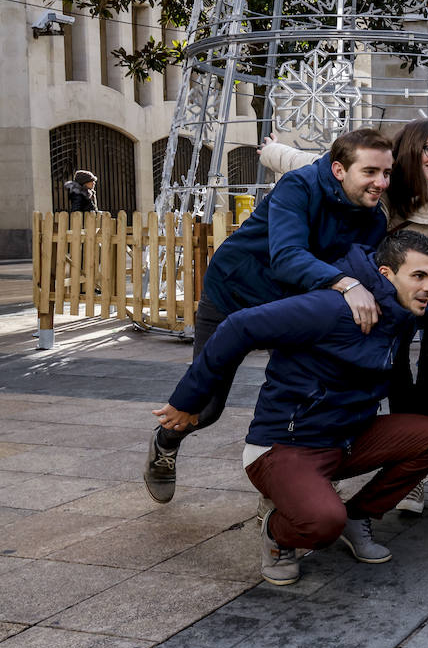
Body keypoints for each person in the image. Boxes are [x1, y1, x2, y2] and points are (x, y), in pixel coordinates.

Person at [154, 231, 428, 586]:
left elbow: (399, 376)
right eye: (419, 276)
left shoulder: (399, 317)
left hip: (346, 439)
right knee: (321, 523)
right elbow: (239, 326)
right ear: (387, 275)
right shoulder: (333, 308)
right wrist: (187, 400)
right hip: (286, 446)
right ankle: (277, 533)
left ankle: (358, 516)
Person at [143, 128, 393, 503]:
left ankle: (293, 481)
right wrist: (346, 284)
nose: (381, 182)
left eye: (386, 173)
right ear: (340, 169)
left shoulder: (373, 218)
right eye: (371, 172)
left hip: (294, 307)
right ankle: (165, 443)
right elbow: (288, 255)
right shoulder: (299, 187)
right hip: (236, 292)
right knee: (206, 408)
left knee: (305, 394)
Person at [259, 117, 428, 516]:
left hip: (400, 301)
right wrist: (269, 151)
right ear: (410, 149)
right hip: (348, 288)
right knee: (323, 372)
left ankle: (402, 471)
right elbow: (307, 161)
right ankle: (306, 462)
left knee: (400, 374)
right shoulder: (380, 174)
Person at [260, 116, 428, 281]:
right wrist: (270, 150)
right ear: (410, 148)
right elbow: (303, 162)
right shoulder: (375, 169)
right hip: (342, 274)